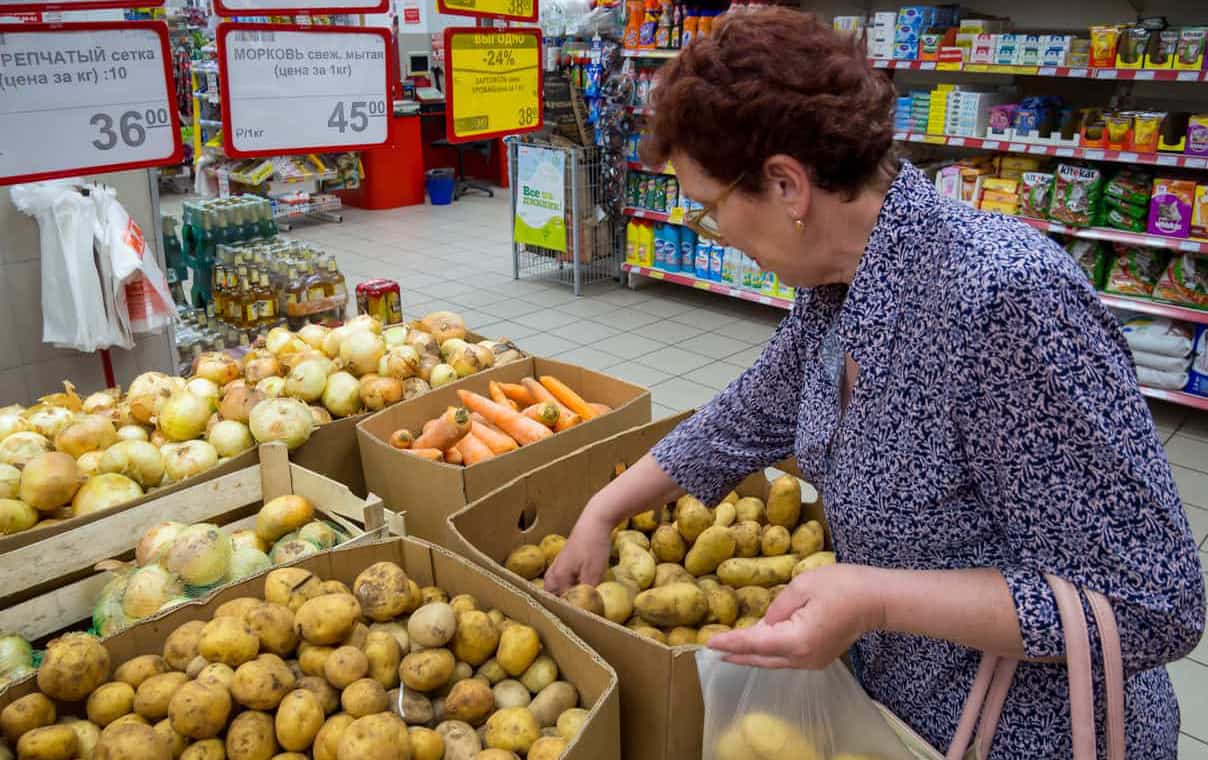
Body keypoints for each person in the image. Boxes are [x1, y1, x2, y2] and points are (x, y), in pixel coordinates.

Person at [544, 9, 1205, 757]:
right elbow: (747, 415)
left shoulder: (1002, 301)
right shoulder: (839, 288)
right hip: (900, 705)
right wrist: (603, 510)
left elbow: (1155, 604)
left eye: (710, 207)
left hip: (1025, 730)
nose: (712, 231)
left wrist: (875, 597)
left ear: (787, 186)